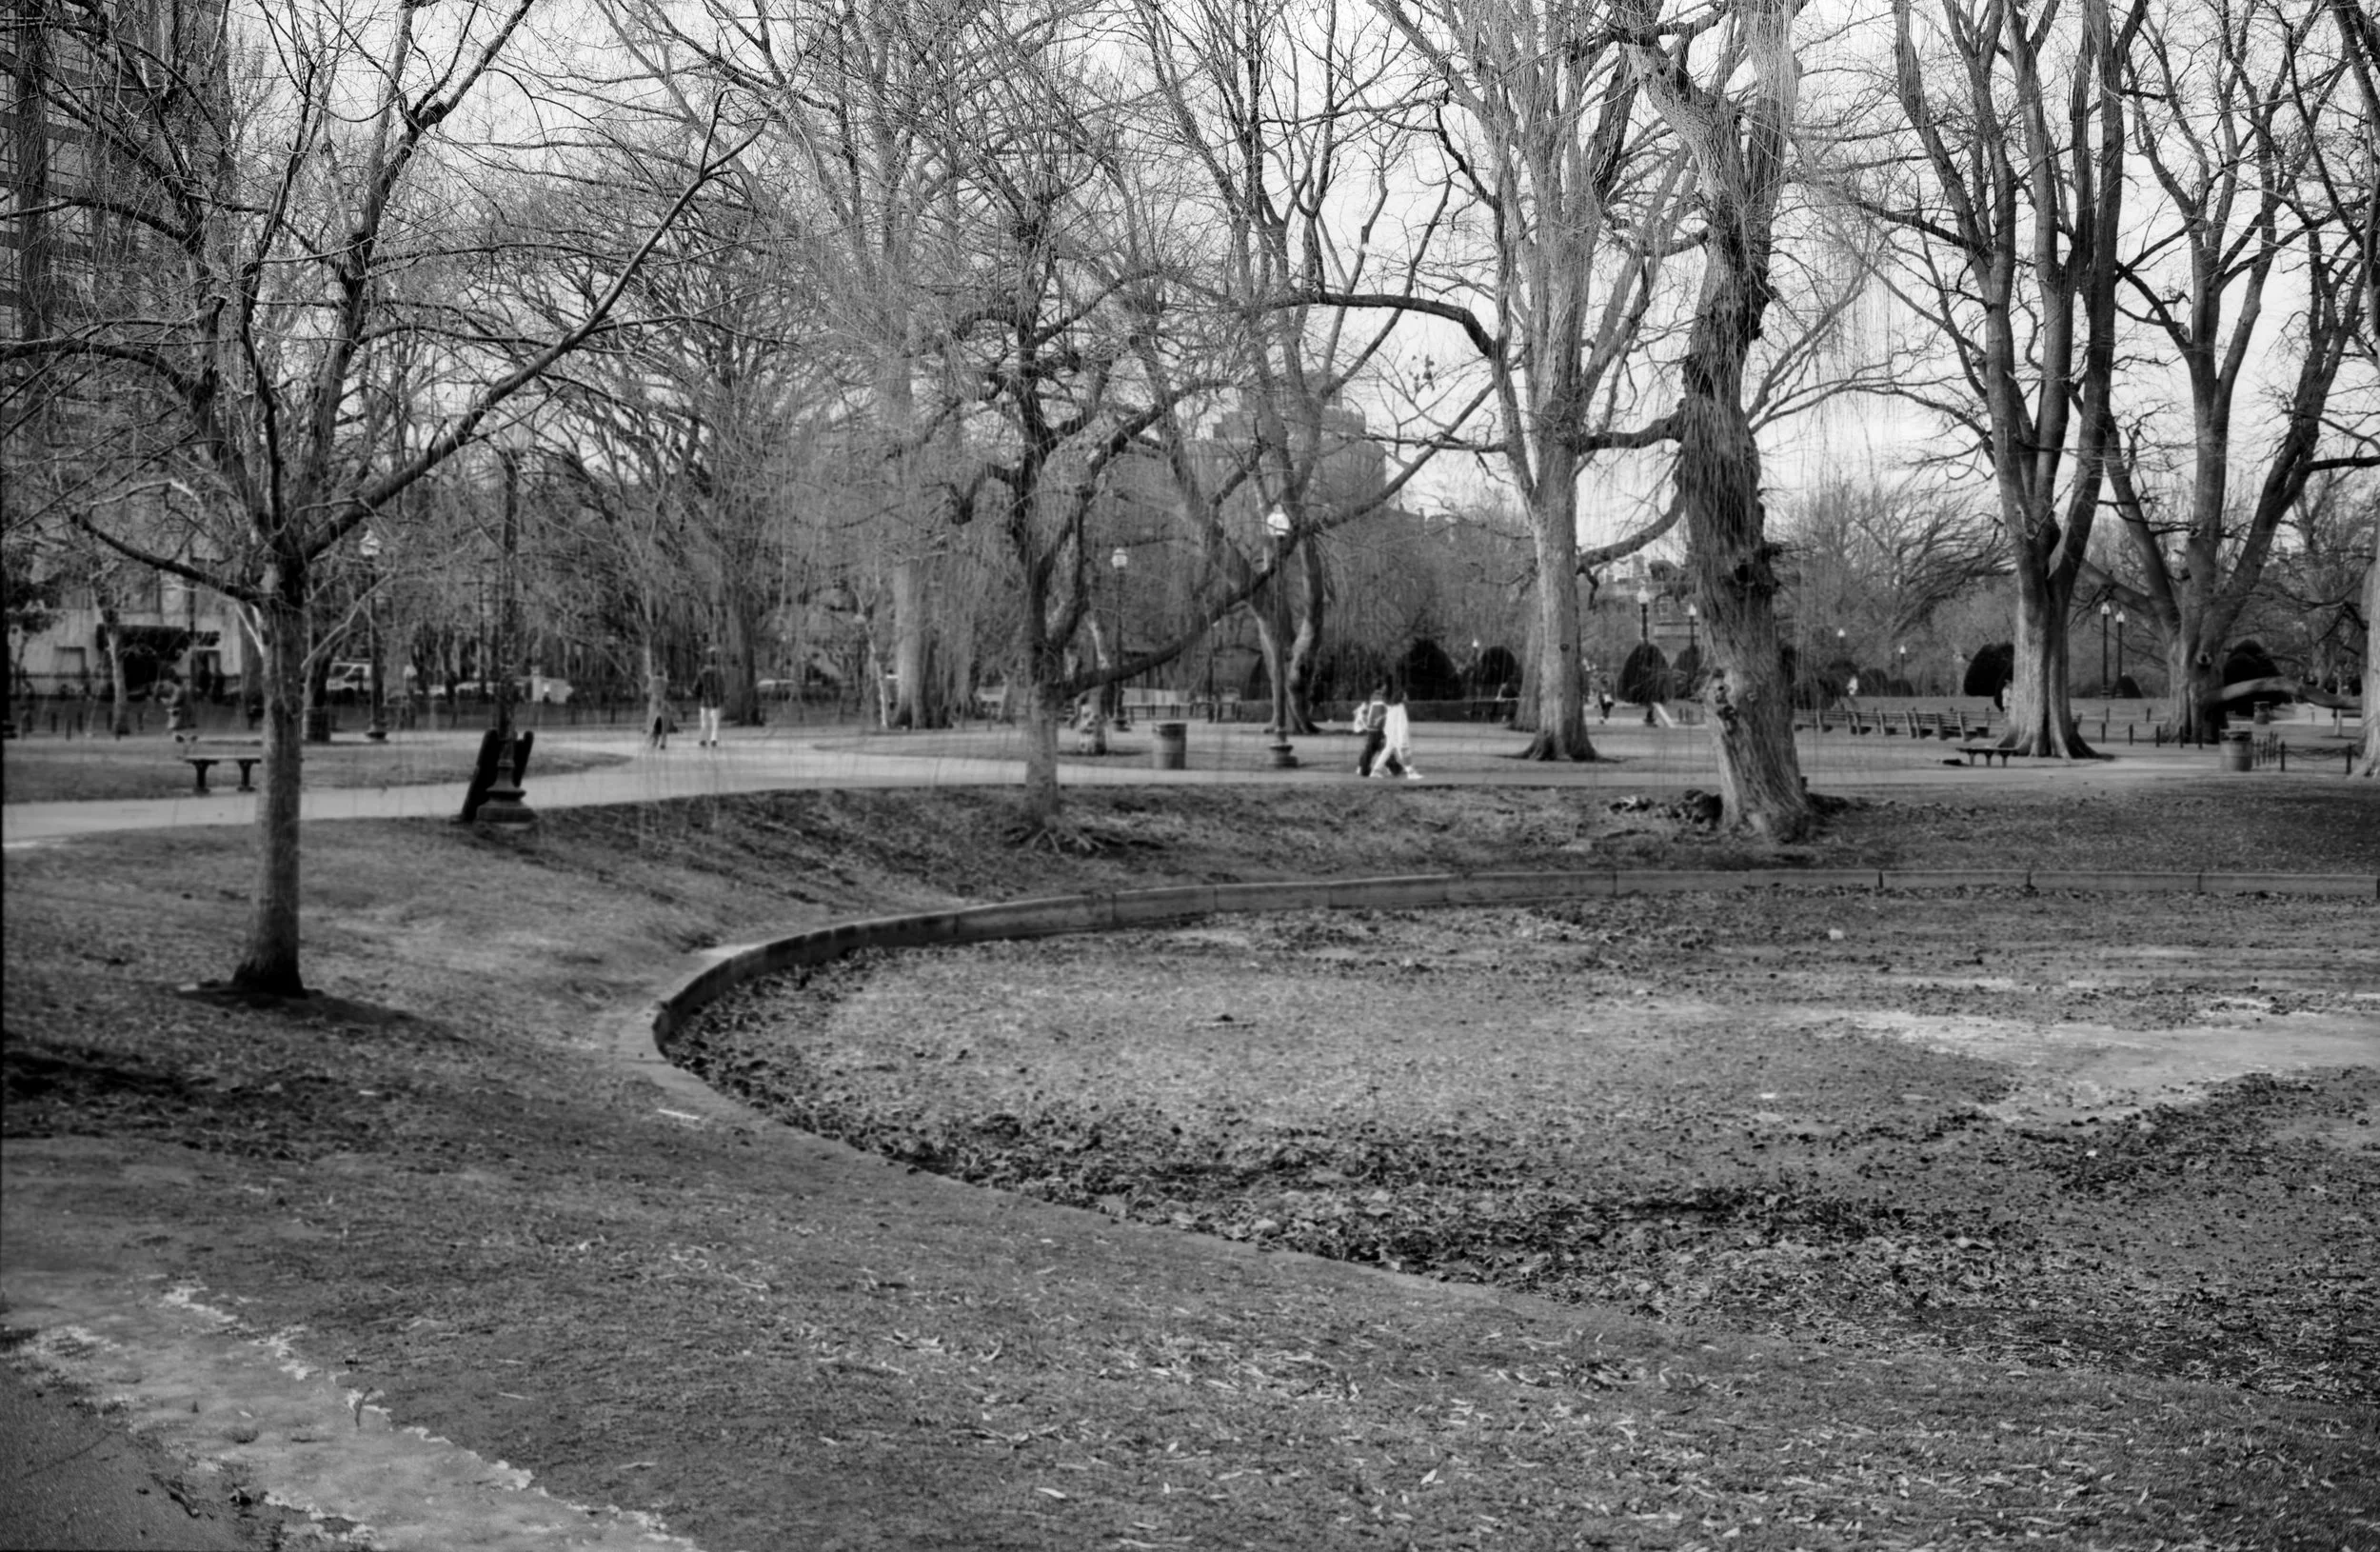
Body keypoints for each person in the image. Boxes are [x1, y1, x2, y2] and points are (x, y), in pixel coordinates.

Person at [1374, 687, 1419, 780]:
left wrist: (1387, 733)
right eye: (1405, 695)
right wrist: (1402, 739)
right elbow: (1401, 725)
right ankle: (1411, 773)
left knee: (1387, 752)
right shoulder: (1400, 708)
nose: (1407, 696)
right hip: (1396, 736)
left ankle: (1375, 770)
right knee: (1404, 753)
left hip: (1391, 735)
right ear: (1402, 697)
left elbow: (1389, 721)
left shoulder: (1393, 707)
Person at [1353, 685, 1389, 776]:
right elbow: (1380, 712)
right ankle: (1366, 768)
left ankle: (1362, 767)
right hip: (1376, 727)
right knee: (1378, 748)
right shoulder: (1380, 698)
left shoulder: (1374, 697)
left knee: (1373, 748)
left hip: (1372, 727)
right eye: (1385, 686)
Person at [695, 648, 724, 747]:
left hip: (704, 699)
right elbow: (721, 686)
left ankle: (703, 739)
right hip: (715, 699)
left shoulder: (702, 673)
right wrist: (722, 698)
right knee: (715, 721)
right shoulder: (718, 673)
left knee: (704, 721)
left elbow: (696, 686)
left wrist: (698, 695)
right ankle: (713, 739)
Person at [160, 674, 191, 743]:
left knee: (174, 724)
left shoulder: (178, 690)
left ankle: (179, 736)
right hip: (182, 708)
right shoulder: (182, 689)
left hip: (177, 708)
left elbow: (175, 701)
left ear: (174, 683)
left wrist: (166, 701)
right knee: (175, 724)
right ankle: (180, 736)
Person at [646, 667, 671, 749]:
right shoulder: (665, 682)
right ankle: (663, 743)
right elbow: (668, 691)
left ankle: (653, 740)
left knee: (652, 723)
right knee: (664, 724)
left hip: (654, 703)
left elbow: (648, 691)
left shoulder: (652, 681)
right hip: (663, 703)